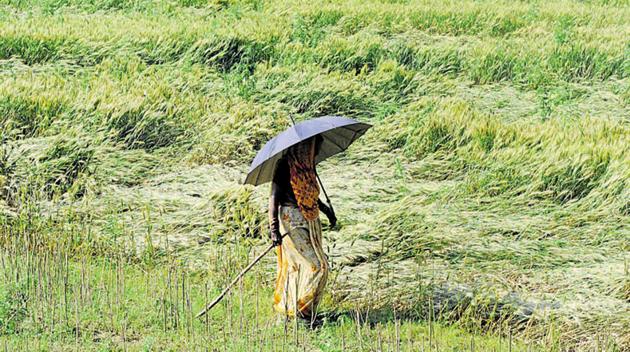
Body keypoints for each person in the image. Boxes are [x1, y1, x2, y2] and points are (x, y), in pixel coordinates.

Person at [268, 136, 336, 321]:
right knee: (318, 266)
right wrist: (273, 229)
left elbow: (311, 196)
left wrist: (327, 211)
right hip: (292, 222)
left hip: (310, 220)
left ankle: (302, 313)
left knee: (300, 268)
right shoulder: (284, 166)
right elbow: (274, 198)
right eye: (316, 147)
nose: (318, 151)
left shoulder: (307, 168)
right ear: (305, 147)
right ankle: (300, 310)